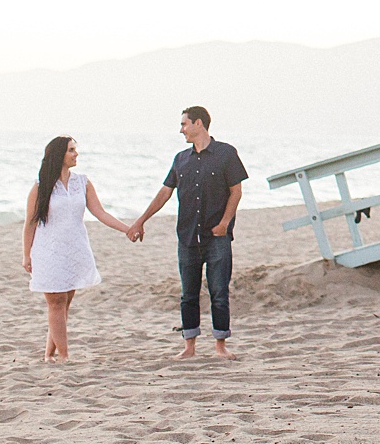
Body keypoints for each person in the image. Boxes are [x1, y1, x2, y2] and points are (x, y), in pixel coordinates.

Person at [128, 106, 247, 360]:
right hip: (187, 237)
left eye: (184, 124)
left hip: (217, 236)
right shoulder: (181, 159)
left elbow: (236, 191)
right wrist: (141, 220)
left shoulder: (226, 153)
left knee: (219, 293)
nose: (181, 129)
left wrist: (225, 222)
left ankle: (220, 346)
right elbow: (164, 193)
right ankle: (189, 346)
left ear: (199, 123)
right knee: (188, 294)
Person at [22, 135, 131, 362]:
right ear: (59, 155)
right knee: (56, 302)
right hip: (48, 250)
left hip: (74, 249)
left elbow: (100, 213)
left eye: (75, 149)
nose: (76, 154)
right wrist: (26, 254)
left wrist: (127, 229)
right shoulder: (41, 186)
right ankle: (63, 356)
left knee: (64, 304)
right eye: (71, 150)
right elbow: (30, 223)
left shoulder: (82, 182)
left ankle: (49, 355)